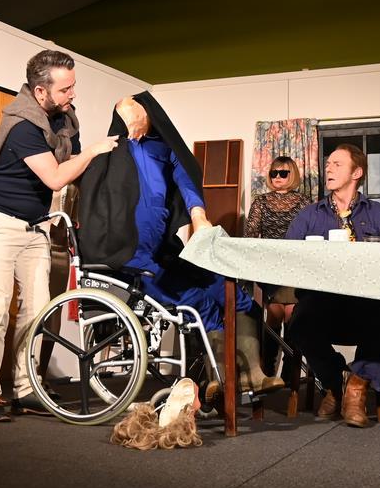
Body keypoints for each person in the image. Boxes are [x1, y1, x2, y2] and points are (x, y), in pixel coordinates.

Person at [78, 93, 284, 396]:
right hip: (130, 259)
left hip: (163, 252)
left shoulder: (163, 148)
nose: (134, 128)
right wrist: (125, 111)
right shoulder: (111, 153)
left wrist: (198, 215)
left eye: (138, 120)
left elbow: (187, 180)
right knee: (198, 302)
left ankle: (252, 374)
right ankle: (221, 380)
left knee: (235, 295)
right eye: (128, 121)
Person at [0, 50, 117, 422]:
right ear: (40, 91)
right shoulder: (23, 126)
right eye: (65, 89)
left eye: (73, 86)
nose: (72, 94)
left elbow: (76, 168)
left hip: (35, 224)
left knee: (37, 310)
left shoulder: (65, 120)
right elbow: (55, 177)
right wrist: (95, 150)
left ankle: (25, 387)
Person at [284, 144, 380, 427]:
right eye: (327, 164)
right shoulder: (309, 216)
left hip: (366, 304)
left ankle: (357, 385)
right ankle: (335, 382)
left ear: (356, 172)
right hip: (322, 304)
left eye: (337, 164)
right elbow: (287, 258)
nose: (329, 169)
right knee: (299, 321)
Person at [244, 155, 311, 370]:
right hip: (270, 266)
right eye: (274, 173)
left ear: (293, 175)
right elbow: (251, 234)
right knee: (274, 316)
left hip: (296, 266)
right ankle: (267, 371)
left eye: (283, 173)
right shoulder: (261, 202)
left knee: (292, 316)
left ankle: (290, 374)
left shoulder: (304, 202)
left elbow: (311, 234)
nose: (278, 177)